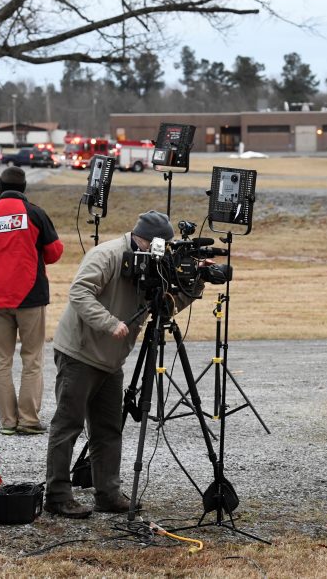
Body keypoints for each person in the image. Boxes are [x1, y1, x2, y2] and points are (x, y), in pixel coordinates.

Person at [44, 211, 202, 519]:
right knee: (68, 425)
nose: (161, 252)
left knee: (108, 428)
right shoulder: (108, 254)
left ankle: (108, 493)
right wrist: (108, 323)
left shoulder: (154, 265)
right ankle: (58, 495)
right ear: (142, 240)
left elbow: (163, 308)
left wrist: (193, 284)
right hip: (80, 353)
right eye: (157, 246)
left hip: (111, 360)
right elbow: (79, 292)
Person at [0, 167, 64, 435]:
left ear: (0, 186)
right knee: (32, 359)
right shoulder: (35, 213)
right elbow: (54, 252)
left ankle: (8, 422)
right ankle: (29, 420)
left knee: (1, 361)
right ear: (24, 188)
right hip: (30, 297)